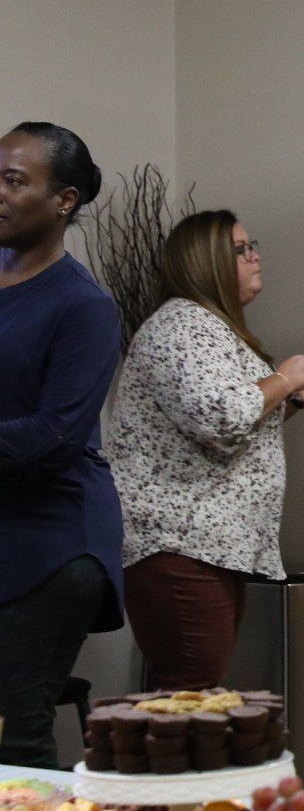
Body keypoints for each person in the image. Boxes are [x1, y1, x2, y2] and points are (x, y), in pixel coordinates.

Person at [106, 211, 304, 692]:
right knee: (188, 694)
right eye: (242, 249)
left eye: (252, 244)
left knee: (194, 692)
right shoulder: (182, 326)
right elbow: (222, 418)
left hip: (210, 544)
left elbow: (228, 429)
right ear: (208, 264)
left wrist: (287, 400)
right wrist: (284, 377)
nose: (255, 256)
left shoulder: (210, 327)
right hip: (180, 543)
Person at [0, 121, 124, 767]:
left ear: (64, 201)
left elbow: (54, 433)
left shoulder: (84, 307)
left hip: (51, 545)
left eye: (13, 180)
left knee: (15, 739)